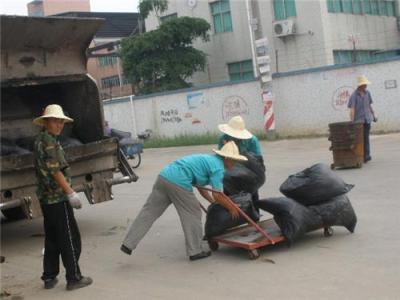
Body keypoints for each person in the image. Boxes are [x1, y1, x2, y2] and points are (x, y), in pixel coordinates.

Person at [121, 141, 247, 261]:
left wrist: (212, 202)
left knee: (149, 212)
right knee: (193, 213)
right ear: (226, 158)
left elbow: (201, 188)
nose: (235, 164)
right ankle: (195, 251)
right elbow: (218, 194)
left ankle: (128, 243)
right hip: (179, 182)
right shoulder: (218, 167)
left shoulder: (209, 160)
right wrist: (231, 207)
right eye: (234, 160)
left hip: (164, 177)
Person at [33, 104, 92, 291]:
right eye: (55, 121)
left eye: (61, 122)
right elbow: (55, 170)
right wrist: (70, 193)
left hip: (46, 199)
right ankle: (74, 278)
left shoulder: (40, 139)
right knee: (69, 238)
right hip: (57, 198)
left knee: (52, 238)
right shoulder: (49, 142)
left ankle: (49, 277)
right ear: (45, 122)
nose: (59, 125)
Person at [348, 75, 377, 163]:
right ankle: (362, 155)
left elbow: (369, 105)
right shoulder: (354, 95)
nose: (366, 85)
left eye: (366, 84)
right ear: (360, 85)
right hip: (359, 121)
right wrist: (352, 121)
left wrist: (374, 115)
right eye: (364, 84)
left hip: (367, 119)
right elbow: (352, 109)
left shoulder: (368, 93)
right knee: (360, 139)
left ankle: (366, 155)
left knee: (366, 137)